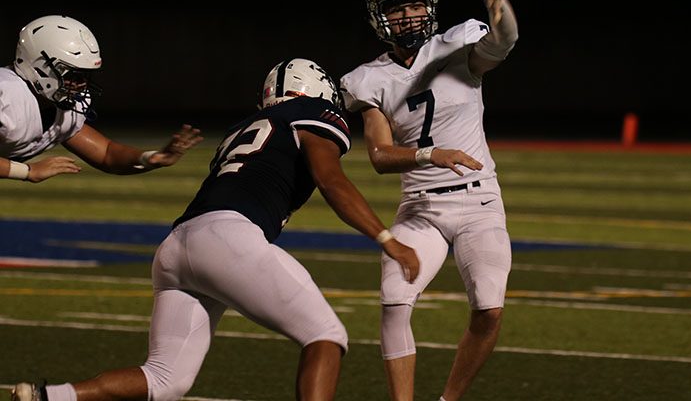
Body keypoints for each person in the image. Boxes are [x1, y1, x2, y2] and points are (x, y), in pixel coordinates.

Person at [10, 57, 421, 401]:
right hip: (229, 238)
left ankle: (47, 397)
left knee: (166, 379)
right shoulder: (312, 112)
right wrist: (386, 238)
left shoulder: (245, 128)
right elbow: (332, 180)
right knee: (326, 336)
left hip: (177, 246)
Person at [340, 0, 521, 401]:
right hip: (421, 209)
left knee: (489, 310)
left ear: (430, 8)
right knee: (394, 300)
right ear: (379, 18)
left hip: (480, 202)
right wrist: (430, 154)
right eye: (397, 9)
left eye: (415, 4)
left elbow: (503, 42)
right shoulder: (367, 80)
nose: (408, 15)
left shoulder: (457, 48)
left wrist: (499, 9)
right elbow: (381, 156)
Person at [1, 14, 202, 183]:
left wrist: (150, 158)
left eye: (85, 76)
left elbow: (106, 154)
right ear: (39, 65)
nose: (81, 84)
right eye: (72, 74)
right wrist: (27, 171)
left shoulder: (60, 107)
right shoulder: (6, 94)